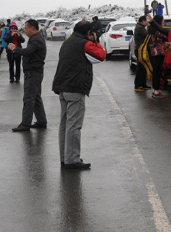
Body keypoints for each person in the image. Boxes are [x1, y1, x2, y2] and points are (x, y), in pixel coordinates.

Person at [53, 21, 106, 169]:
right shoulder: (85, 43)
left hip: (63, 87)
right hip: (75, 88)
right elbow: (101, 56)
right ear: (88, 32)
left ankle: (65, 158)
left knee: (64, 125)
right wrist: (96, 41)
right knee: (74, 125)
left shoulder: (68, 42)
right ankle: (72, 160)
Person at [9, 19, 48, 132]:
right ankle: (41, 121)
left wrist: (15, 48)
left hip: (33, 73)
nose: (25, 31)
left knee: (29, 98)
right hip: (35, 72)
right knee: (35, 98)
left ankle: (25, 123)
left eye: (26, 28)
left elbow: (28, 52)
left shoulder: (36, 39)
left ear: (32, 28)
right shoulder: (35, 38)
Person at [145, 14, 168, 98]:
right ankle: (156, 92)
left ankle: (155, 90)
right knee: (157, 72)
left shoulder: (151, 30)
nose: (164, 22)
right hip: (159, 53)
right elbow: (167, 36)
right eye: (163, 21)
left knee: (156, 72)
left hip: (153, 53)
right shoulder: (158, 32)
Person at [134, 16, 151, 91]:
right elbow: (148, 35)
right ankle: (137, 85)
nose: (147, 22)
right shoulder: (140, 28)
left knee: (143, 68)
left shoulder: (140, 27)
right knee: (140, 68)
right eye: (146, 21)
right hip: (140, 50)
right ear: (142, 21)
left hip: (141, 49)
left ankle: (143, 84)